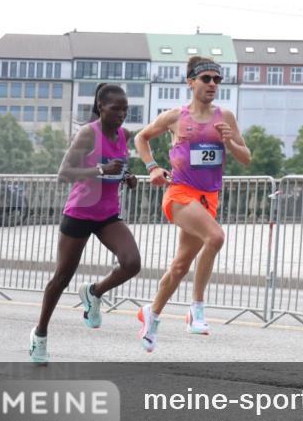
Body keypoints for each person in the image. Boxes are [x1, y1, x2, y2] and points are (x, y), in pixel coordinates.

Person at [133, 56, 251, 352]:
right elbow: (141, 137)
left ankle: (152, 315)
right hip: (179, 194)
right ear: (191, 82)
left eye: (217, 80)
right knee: (216, 236)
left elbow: (246, 157)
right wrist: (152, 167)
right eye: (207, 79)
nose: (213, 84)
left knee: (180, 265)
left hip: (207, 198)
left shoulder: (225, 117)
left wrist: (230, 142)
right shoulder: (176, 116)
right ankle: (196, 308)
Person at [29, 83, 141, 364]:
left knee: (132, 263)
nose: (121, 114)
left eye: (125, 109)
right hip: (80, 212)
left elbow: (119, 164)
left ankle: (94, 292)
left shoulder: (124, 135)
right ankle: (40, 334)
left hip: (107, 214)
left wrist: (127, 176)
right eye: (115, 109)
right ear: (100, 107)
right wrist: (101, 169)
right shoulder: (87, 134)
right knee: (62, 278)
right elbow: (64, 173)